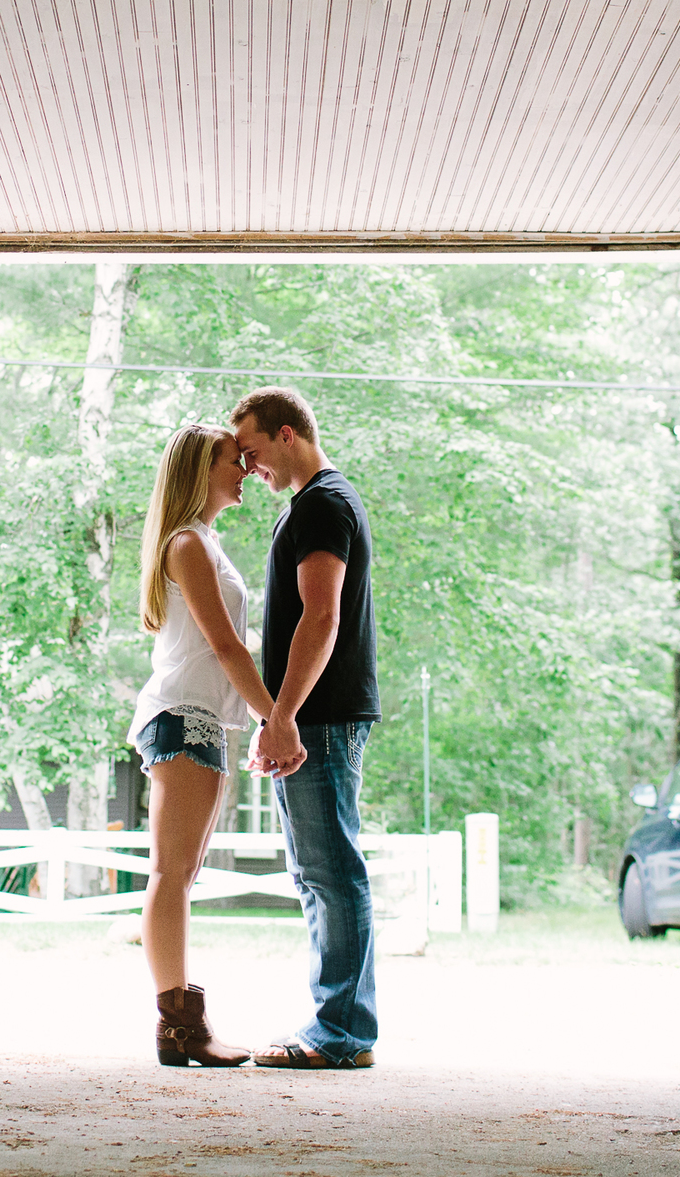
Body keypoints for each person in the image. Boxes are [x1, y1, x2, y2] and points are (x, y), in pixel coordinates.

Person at [230, 386, 378, 1069]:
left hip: (318, 717)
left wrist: (282, 715)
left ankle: (340, 1032)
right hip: (315, 716)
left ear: (288, 434)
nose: (250, 467)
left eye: (254, 452)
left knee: (331, 871)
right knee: (320, 873)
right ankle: (340, 1026)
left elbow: (322, 617)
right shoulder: (319, 502)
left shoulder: (322, 503)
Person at [128, 422, 275, 1066]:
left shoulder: (205, 542)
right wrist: (277, 717)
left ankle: (185, 1028)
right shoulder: (187, 542)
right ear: (198, 470)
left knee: (179, 875)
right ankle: (179, 1028)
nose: (244, 469)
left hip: (202, 719)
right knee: (171, 875)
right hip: (183, 714)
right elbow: (226, 646)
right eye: (231, 460)